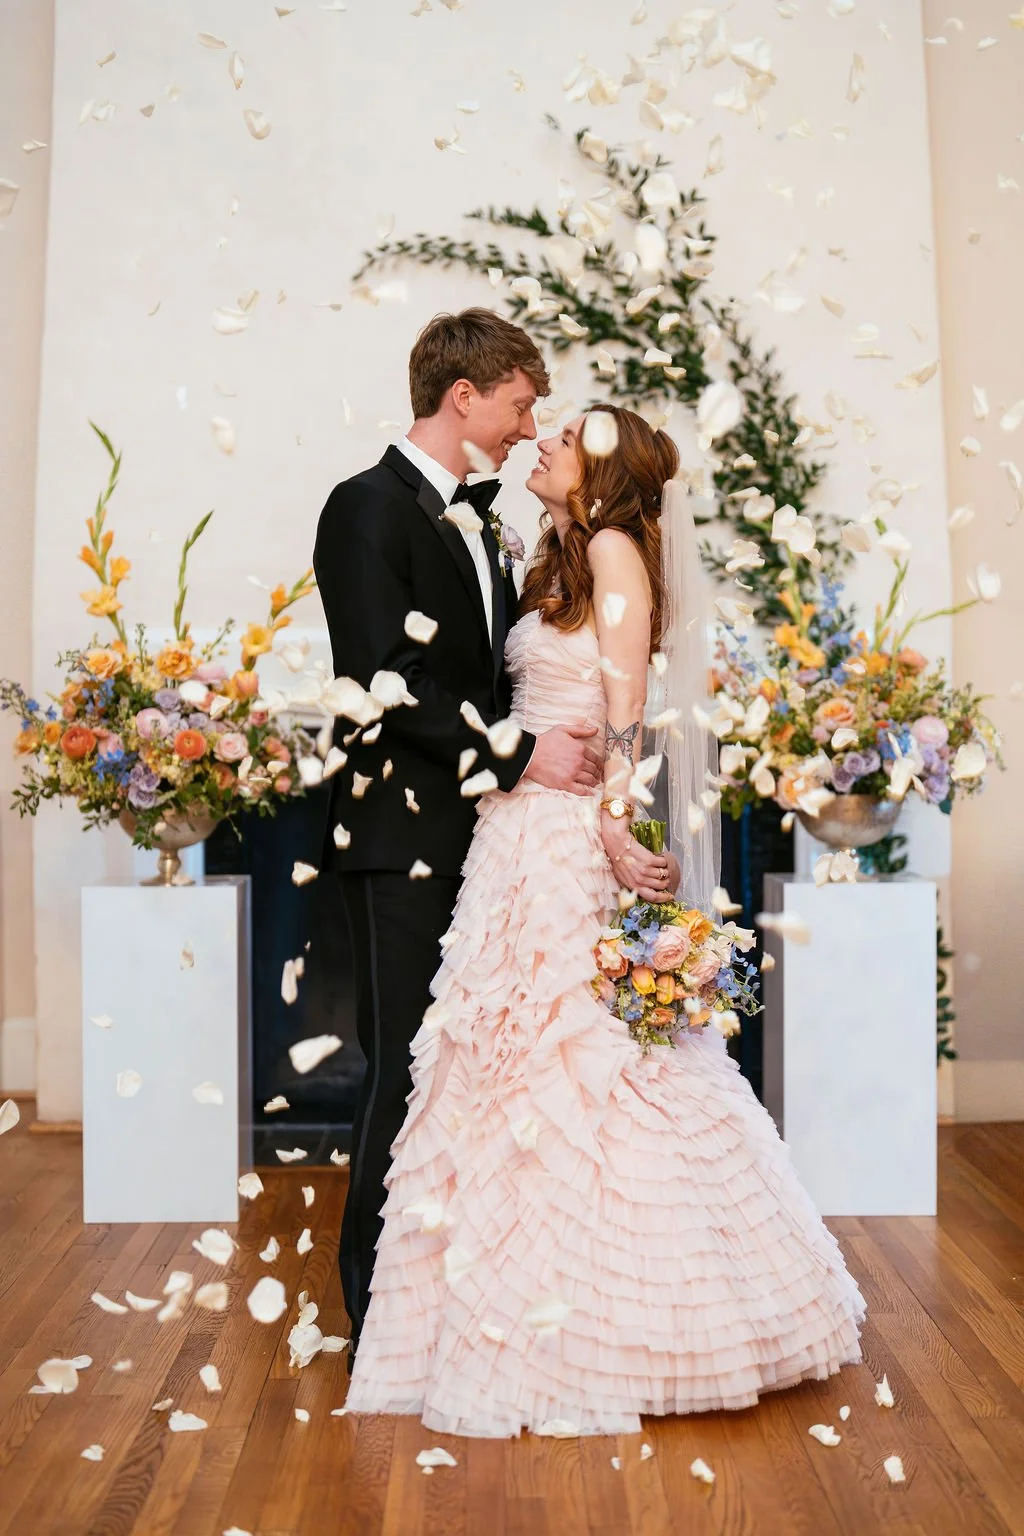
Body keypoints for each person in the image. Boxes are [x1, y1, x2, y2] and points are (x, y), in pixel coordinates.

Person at [341, 402, 868, 1437]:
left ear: (599, 471)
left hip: (567, 837)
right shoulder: (559, 557)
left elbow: (628, 713)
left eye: (563, 434)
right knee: (497, 1059)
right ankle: (485, 1303)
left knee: (583, 1062)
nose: (541, 440)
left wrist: (620, 829)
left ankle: (608, 1320)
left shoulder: (618, 550)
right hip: (510, 837)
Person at [312, 312, 672, 1377]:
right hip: (402, 841)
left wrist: (590, 798)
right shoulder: (364, 508)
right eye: (520, 405)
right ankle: (376, 1314)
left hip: (491, 848)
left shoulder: (508, 535)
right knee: (407, 1079)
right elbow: (383, 677)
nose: (528, 429)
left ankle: (469, 1305)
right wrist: (518, 755)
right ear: (461, 396)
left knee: (476, 1081)